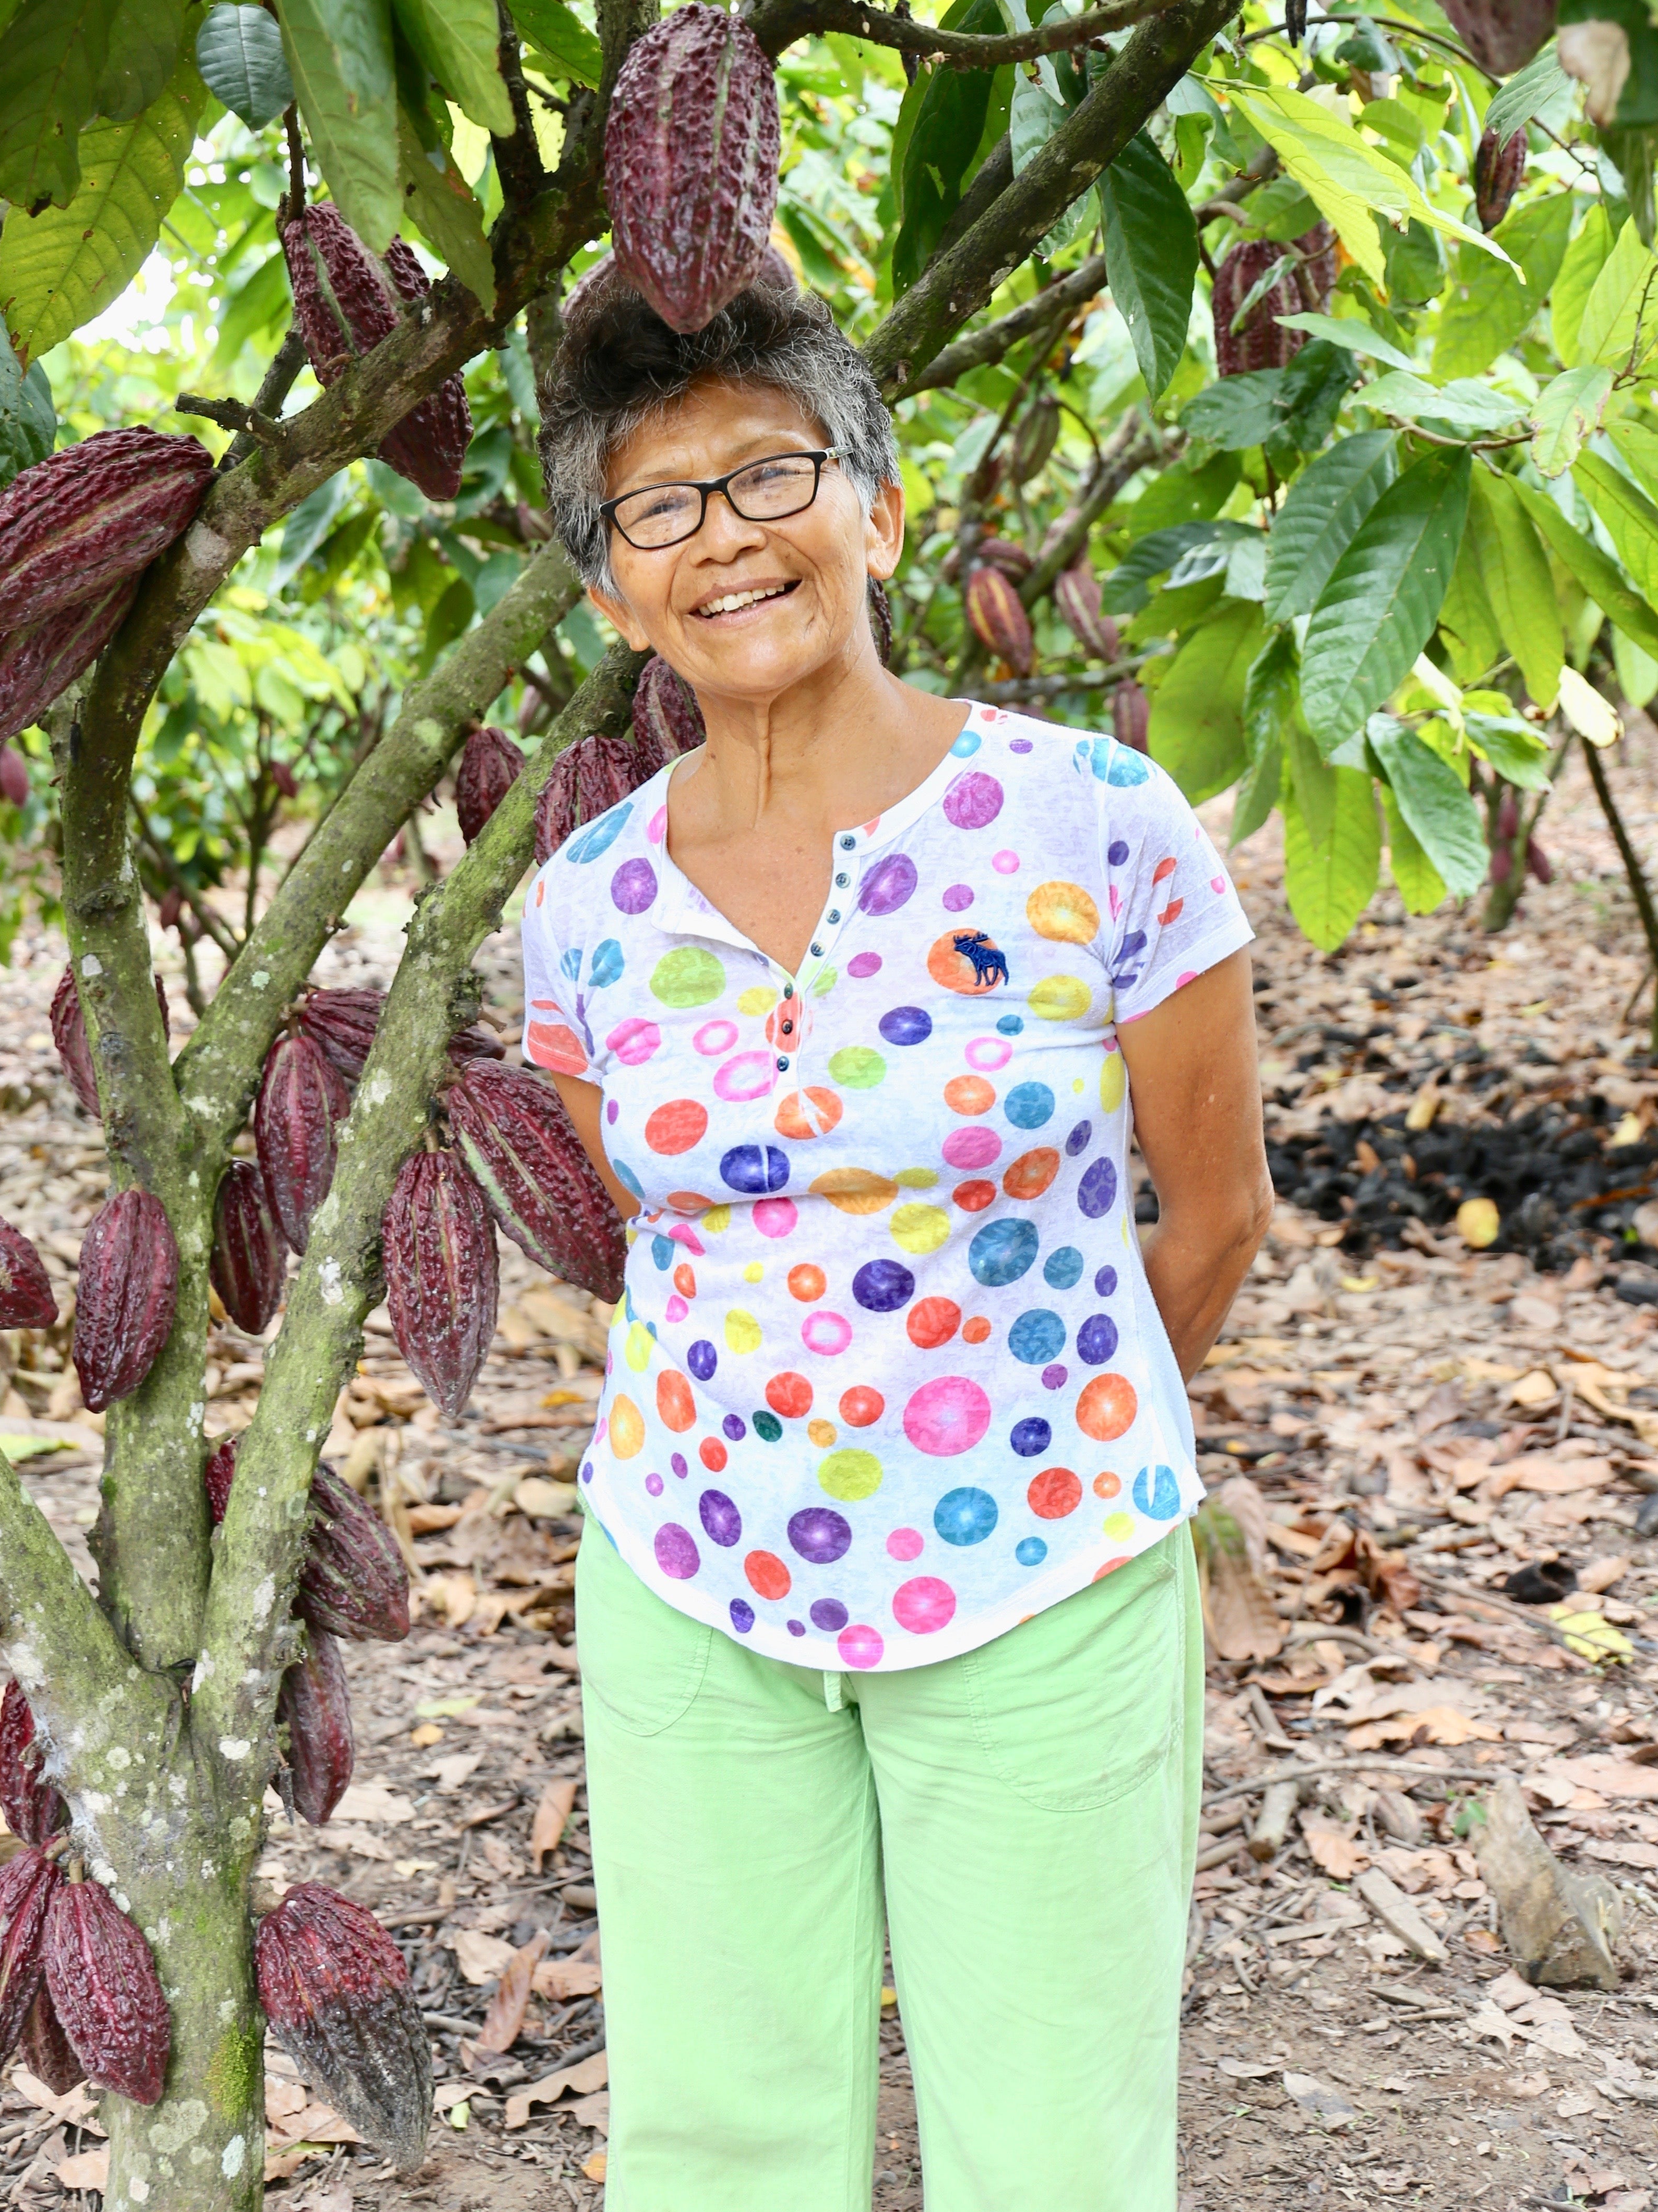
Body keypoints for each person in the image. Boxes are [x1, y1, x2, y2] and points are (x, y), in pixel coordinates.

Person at [521, 264, 1272, 2212]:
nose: (725, 537)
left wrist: (1030, 1444)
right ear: (612, 595)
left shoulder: (1094, 820)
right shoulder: (585, 904)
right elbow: (657, 1230)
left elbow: (1216, 1214)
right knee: (715, 2147)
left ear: (878, 509)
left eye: (773, 475)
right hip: (693, 1574)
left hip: (1044, 1570)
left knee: (1051, 2149)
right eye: (658, 507)